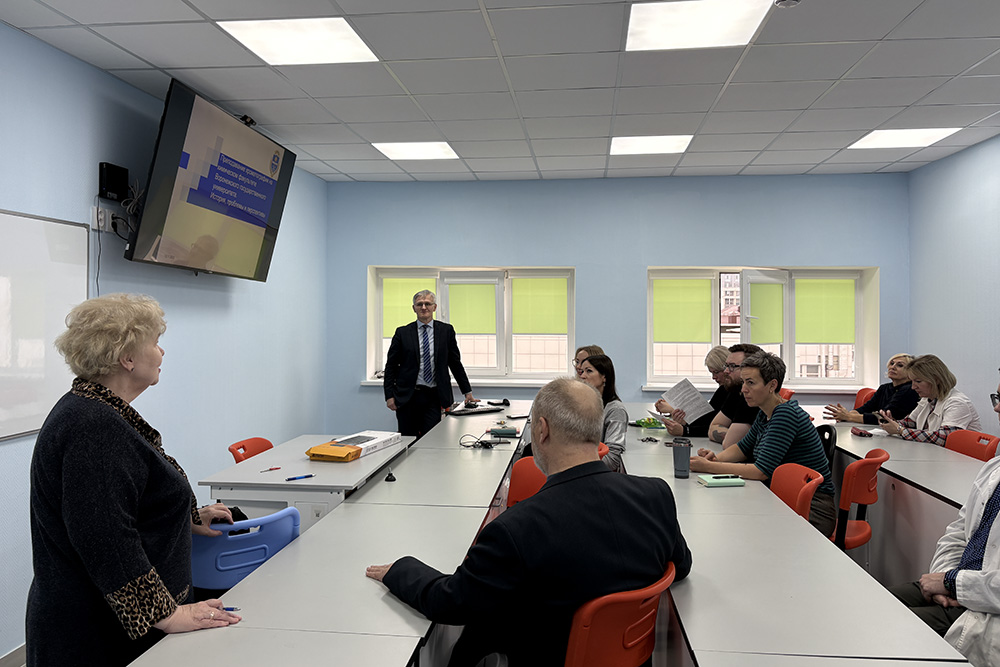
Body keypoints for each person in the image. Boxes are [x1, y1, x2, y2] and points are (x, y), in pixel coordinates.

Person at [365, 377, 692, 667]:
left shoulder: (515, 529)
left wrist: (401, 569)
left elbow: (451, 603)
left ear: (542, 430)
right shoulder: (655, 495)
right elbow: (681, 565)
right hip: (633, 657)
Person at [26, 294, 241, 667]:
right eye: (155, 343)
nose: (161, 352)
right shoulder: (92, 427)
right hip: (98, 636)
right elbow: (105, 538)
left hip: (111, 626)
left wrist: (187, 517)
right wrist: (167, 615)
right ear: (127, 358)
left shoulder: (98, 410)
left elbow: (127, 499)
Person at [889, 379, 1000, 667]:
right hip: (957, 586)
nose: (997, 408)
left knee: (884, 629)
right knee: (876, 601)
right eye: (997, 397)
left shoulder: (956, 403)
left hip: (987, 609)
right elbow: (959, 533)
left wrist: (953, 584)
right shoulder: (994, 468)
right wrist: (944, 579)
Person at [690, 351, 836, 536]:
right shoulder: (765, 412)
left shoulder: (785, 415)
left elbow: (761, 471)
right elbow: (742, 448)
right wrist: (715, 459)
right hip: (786, 498)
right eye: (743, 382)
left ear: (772, 385)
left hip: (813, 509)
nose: (743, 389)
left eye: (750, 383)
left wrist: (709, 467)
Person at [383, 289, 477, 437]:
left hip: (434, 396)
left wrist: (467, 391)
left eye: (427, 303)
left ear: (434, 307)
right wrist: (389, 396)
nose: (423, 307)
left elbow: (455, 363)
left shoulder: (446, 331)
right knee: (408, 439)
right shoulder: (402, 333)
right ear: (414, 308)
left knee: (431, 439)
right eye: (419, 304)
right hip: (407, 396)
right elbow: (391, 367)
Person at [878, 354, 981, 446]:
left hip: (960, 458)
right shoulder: (927, 399)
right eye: (912, 381)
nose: (913, 387)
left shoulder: (957, 403)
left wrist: (900, 430)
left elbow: (943, 438)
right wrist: (891, 422)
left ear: (936, 380)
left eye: (918, 381)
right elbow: (910, 422)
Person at [654, 345, 730, 438]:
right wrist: (683, 421)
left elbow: (711, 426)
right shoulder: (723, 390)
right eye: (712, 373)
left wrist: (684, 430)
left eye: (716, 372)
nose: (713, 377)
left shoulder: (731, 393)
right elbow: (707, 419)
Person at [824, 353, 919, 424]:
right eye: (892, 363)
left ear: (910, 371)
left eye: (900, 365)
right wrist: (845, 415)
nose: (893, 367)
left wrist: (848, 416)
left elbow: (884, 417)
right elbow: (866, 408)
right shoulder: (884, 388)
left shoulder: (910, 389)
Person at [577, 353, 628, 472]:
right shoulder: (582, 405)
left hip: (595, 473)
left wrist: (580, 469)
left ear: (604, 377)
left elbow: (613, 458)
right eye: (582, 372)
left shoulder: (615, 410)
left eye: (589, 371)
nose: (582, 376)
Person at [707, 343, 762, 447]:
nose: (726, 371)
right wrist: (731, 435)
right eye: (726, 366)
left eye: (732, 366)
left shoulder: (753, 397)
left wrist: (730, 436)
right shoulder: (736, 391)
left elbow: (729, 443)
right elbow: (712, 427)